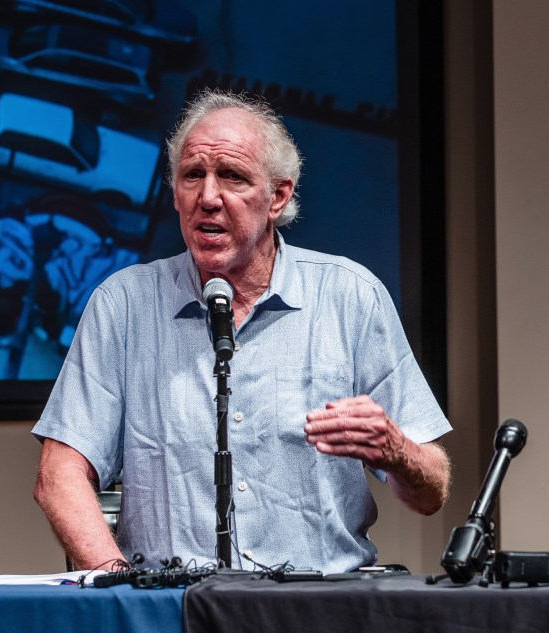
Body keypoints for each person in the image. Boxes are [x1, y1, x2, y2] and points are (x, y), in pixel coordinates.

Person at [32, 90, 452, 573]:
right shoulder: (123, 304)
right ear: (174, 194)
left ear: (278, 196)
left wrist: (396, 450)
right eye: (193, 176)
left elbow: (431, 492)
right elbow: (58, 476)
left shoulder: (350, 296)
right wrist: (119, 589)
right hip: (172, 613)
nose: (208, 197)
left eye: (231, 176)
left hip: (321, 610)